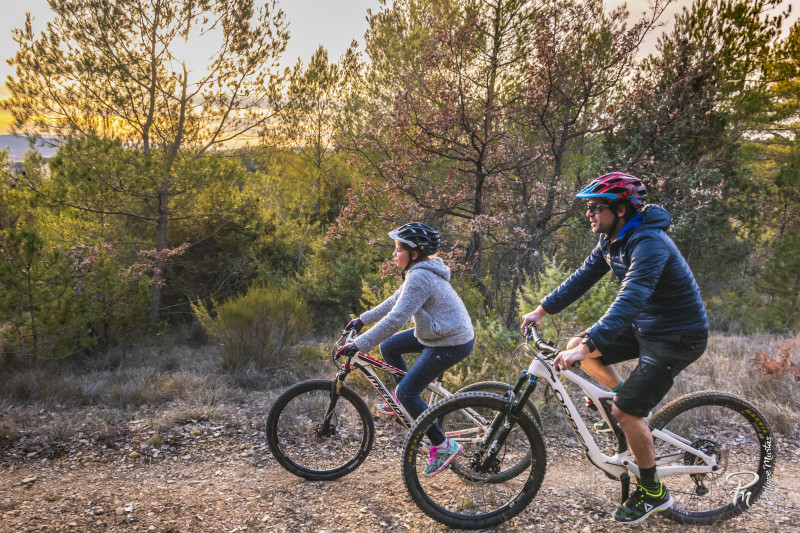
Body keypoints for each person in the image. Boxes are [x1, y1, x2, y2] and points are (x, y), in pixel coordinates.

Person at [520, 172, 708, 524]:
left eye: (596, 207)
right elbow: (582, 277)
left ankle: (653, 492)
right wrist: (542, 309)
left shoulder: (649, 243)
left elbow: (631, 298)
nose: (589, 214)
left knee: (622, 406)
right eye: (588, 207)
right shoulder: (613, 239)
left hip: (678, 336)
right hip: (646, 326)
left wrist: (592, 344)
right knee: (580, 348)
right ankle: (625, 406)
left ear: (620, 209)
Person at [336, 222, 475, 477]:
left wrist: (358, 344)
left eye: (398, 249)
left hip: (450, 340)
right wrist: (362, 320)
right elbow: (394, 302)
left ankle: (443, 445)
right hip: (439, 331)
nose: (393, 254)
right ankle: (402, 402)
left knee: (407, 392)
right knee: (390, 346)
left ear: (414, 253)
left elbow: (397, 318)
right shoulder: (417, 272)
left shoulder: (420, 276)